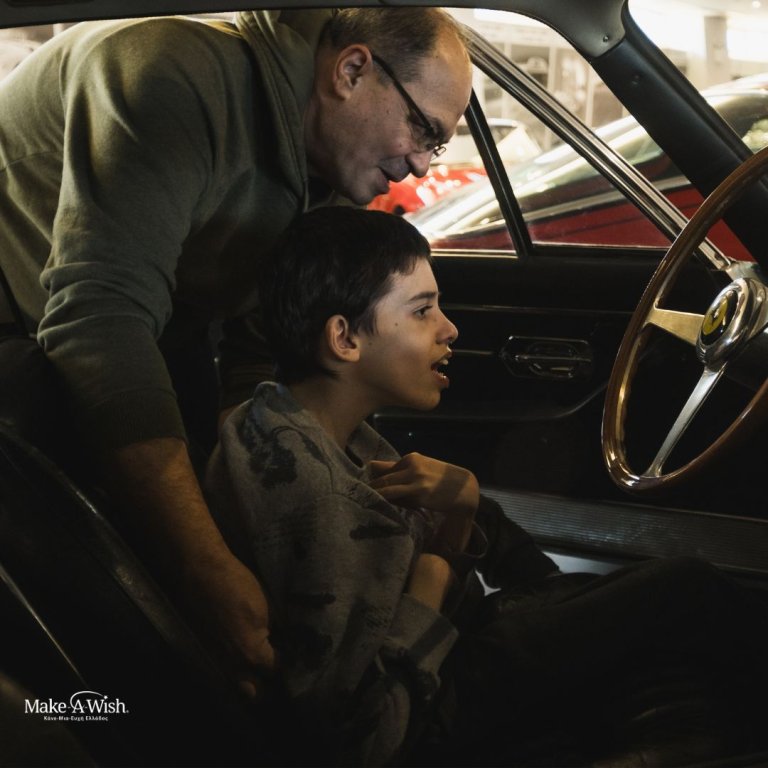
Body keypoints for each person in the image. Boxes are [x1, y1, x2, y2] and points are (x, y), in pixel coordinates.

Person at [0, 8, 473, 693]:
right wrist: (203, 567)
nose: (421, 165)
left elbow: (260, 342)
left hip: (156, 329)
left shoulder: (331, 169)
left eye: (439, 144)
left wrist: (268, 486)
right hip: (30, 328)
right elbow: (100, 318)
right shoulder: (172, 77)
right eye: (424, 129)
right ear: (351, 71)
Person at [205, 206, 768, 767]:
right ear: (344, 338)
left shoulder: (274, 419)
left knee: (649, 605)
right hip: (438, 694)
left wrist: (464, 509)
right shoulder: (323, 503)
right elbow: (367, 738)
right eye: (422, 311)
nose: (448, 329)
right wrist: (435, 574)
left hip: (458, 642)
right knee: (687, 587)